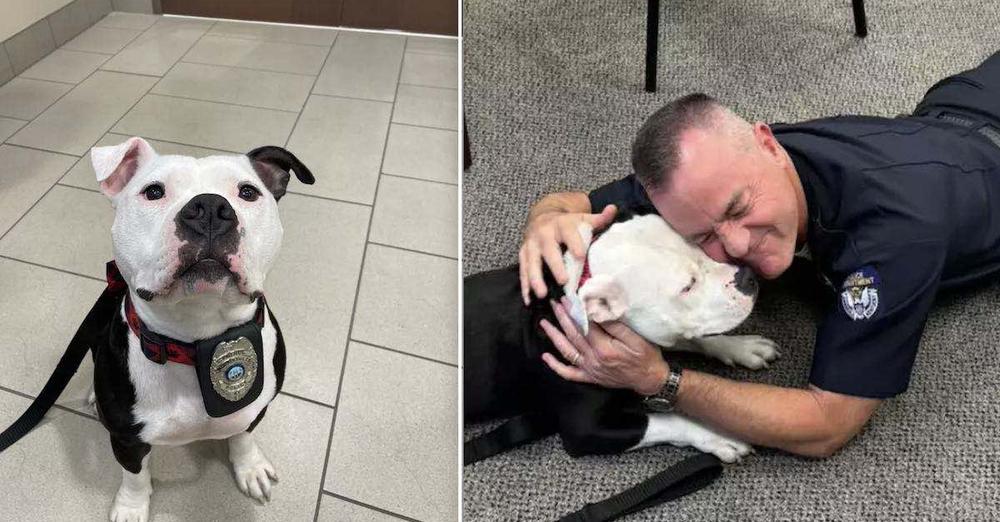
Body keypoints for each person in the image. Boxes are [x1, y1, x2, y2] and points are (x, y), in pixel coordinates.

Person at [518, 50, 1000, 458]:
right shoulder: (714, 178)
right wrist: (545, 219)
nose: (736, 246)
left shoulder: (895, 235)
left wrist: (660, 380)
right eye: (703, 234)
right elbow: (571, 203)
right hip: (955, 105)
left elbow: (826, 425)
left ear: (769, 144)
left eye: (740, 208)